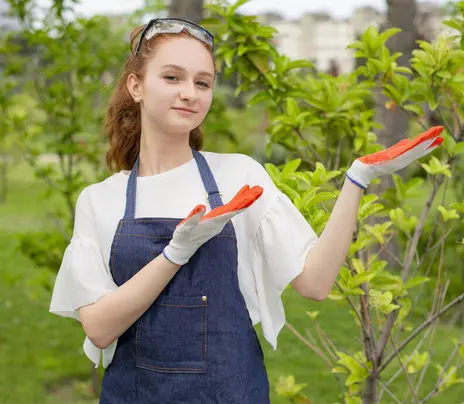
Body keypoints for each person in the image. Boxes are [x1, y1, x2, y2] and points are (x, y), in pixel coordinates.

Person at [49, 17, 444, 404]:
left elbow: (316, 283)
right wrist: (175, 253)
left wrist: (358, 178)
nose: (190, 92)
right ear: (136, 86)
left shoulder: (239, 177)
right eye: (172, 78)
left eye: (202, 82)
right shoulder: (100, 200)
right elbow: (99, 329)